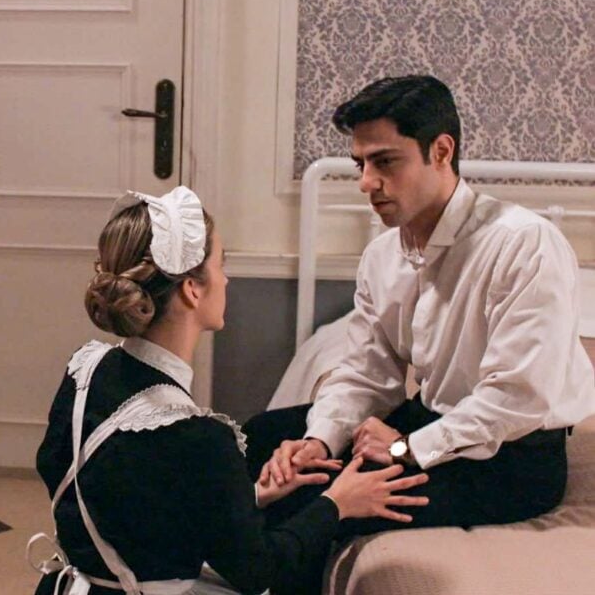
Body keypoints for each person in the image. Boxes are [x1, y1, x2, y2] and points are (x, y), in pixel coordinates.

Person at [245, 75, 595, 542]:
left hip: (511, 459)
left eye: (385, 161)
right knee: (257, 439)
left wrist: (406, 448)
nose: (366, 183)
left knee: (316, 504)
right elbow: (368, 374)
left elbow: (519, 398)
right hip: (426, 417)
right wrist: (320, 440)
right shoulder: (382, 256)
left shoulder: (524, 244)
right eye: (360, 164)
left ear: (442, 151)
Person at [30, 186, 429, 595]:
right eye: (222, 264)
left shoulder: (85, 370)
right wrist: (337, 504)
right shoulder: (198, 437)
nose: (226, 279)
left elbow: (135, 507)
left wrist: (251, 496)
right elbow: (260, 571)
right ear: (192, 289)